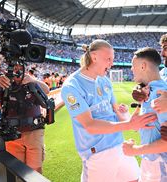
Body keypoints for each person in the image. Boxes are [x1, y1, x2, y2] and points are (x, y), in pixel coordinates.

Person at [61, 39, 157, 182]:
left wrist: (129, 118)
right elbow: (90, 125)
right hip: (97, 153)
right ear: (94, 57)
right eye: (108, 59)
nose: (111, 64)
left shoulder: (105, 80)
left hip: (120, 145)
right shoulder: (72, 86)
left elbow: (116, 113)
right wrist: (129, 125)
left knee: (135, 179)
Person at [0, 63, 49, 173]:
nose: (17, 71)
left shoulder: (32, 83)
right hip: (12, 135)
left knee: (35, 170)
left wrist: (33, 81)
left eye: (20, 68)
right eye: (14, 68)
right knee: (17, 171)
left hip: (33, 132)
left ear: (26, 69)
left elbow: (46, 90)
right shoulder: (5, 85)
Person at [122, 47, 167, 182]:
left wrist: (134, 150)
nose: (131, 69)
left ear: (143, 65)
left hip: (159, 164)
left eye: (133, 65)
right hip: (151, 161)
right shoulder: (149, 90)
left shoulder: (160, 94)